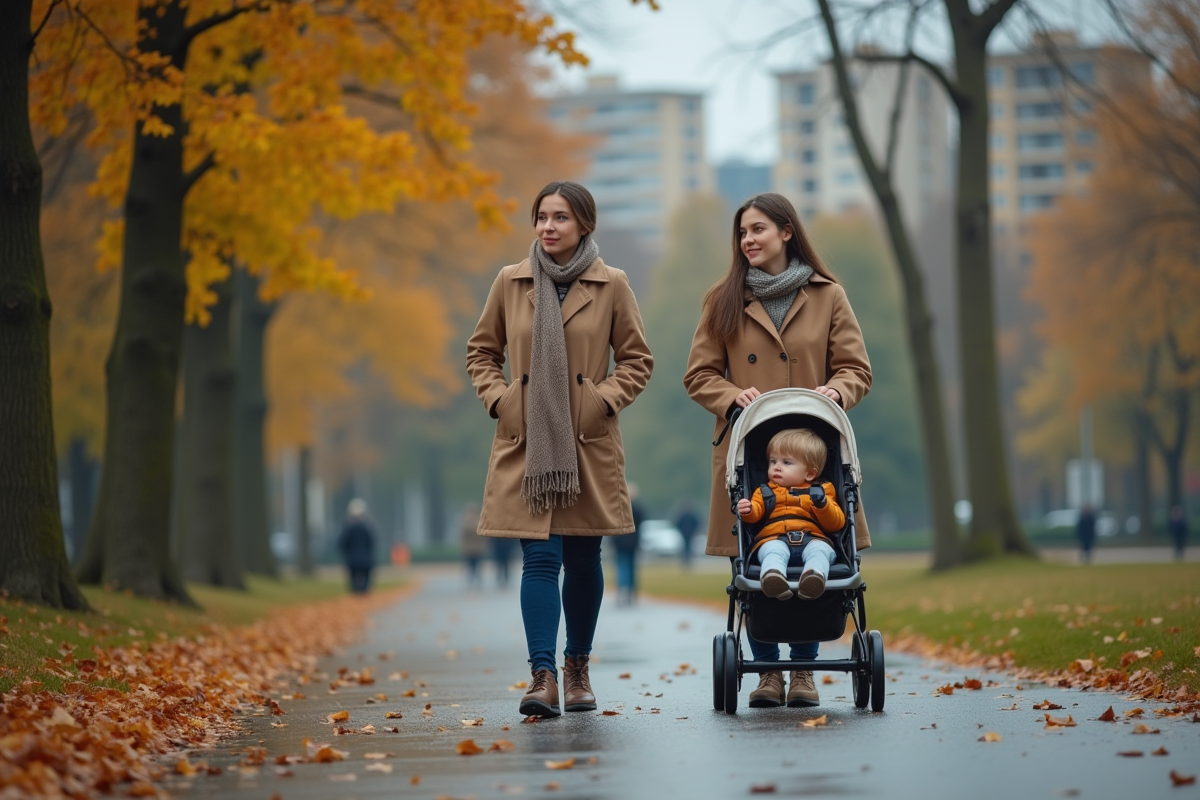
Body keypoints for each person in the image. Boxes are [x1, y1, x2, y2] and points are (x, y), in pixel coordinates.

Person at [466, 180, 653, 718]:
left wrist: (600, 401)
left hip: (587, 444)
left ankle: (577, 669)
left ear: (584, 225)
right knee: (539, 557)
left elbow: (637, 361)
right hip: (526, 443)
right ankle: (542, 674)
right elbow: (482, 352)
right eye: (542, 217)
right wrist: (502, 401)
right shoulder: (510, 281)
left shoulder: (611, 284)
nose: (548, 227)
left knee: (584, 557)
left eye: (561, 218)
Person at [684, 192, 871, 710]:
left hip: (813, 452)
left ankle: (804, 672)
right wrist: (729, 395)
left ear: (787, 232)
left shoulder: (828, 295)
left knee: (814, 560)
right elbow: (698, 375)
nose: (748, 240)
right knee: (755, 564)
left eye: (759, 229)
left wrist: (836, 391)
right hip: (751, 454)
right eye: (742, 232)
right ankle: (767, 673)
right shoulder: (721, 300)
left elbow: (856, 368)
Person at [737, 429, 844, 601]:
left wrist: (822, 505)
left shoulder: (823, 491)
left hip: (813, 538)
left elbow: (836, 523)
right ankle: (773, 576)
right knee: (773, 551)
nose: (776, 467)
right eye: (773, 461)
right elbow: (756, 513)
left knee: (820, 550)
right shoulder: (765, 491)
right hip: (774, 538)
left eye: (786, 462)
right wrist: (748, 510)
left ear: (810, 473)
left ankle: (814, 577)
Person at [614, 483, 646, 606]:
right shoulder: (638, 509)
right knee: (632, 568)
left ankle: (622, 591)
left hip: (620, 542)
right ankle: (632, 592)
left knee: (622, 566)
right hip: (633, 542)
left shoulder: (618, 507)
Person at [337, 499, 377, 594]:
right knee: (366, 585)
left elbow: (342, 543)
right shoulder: (368, 527)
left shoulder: (347, 528)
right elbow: (372, 542)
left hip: (352, 559)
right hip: (366, 559)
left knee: (353, 584)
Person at [459, 502, 487, 590]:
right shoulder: (479, 520)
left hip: (469, 548)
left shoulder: (464, 520)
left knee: (471, 565)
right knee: (476, 565)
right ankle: (476, 580)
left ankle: (472, 581)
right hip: (477, 548)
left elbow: (462, 534)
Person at [674, 500, 701, 570]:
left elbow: (696, 523)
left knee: (689, 547)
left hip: (690, 533)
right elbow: (677, 523)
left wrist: (695, 531)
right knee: (685, 548)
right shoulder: (683, 516)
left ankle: (688, 561)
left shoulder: (691, 516)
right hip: (684, 533)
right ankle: (685, 561)